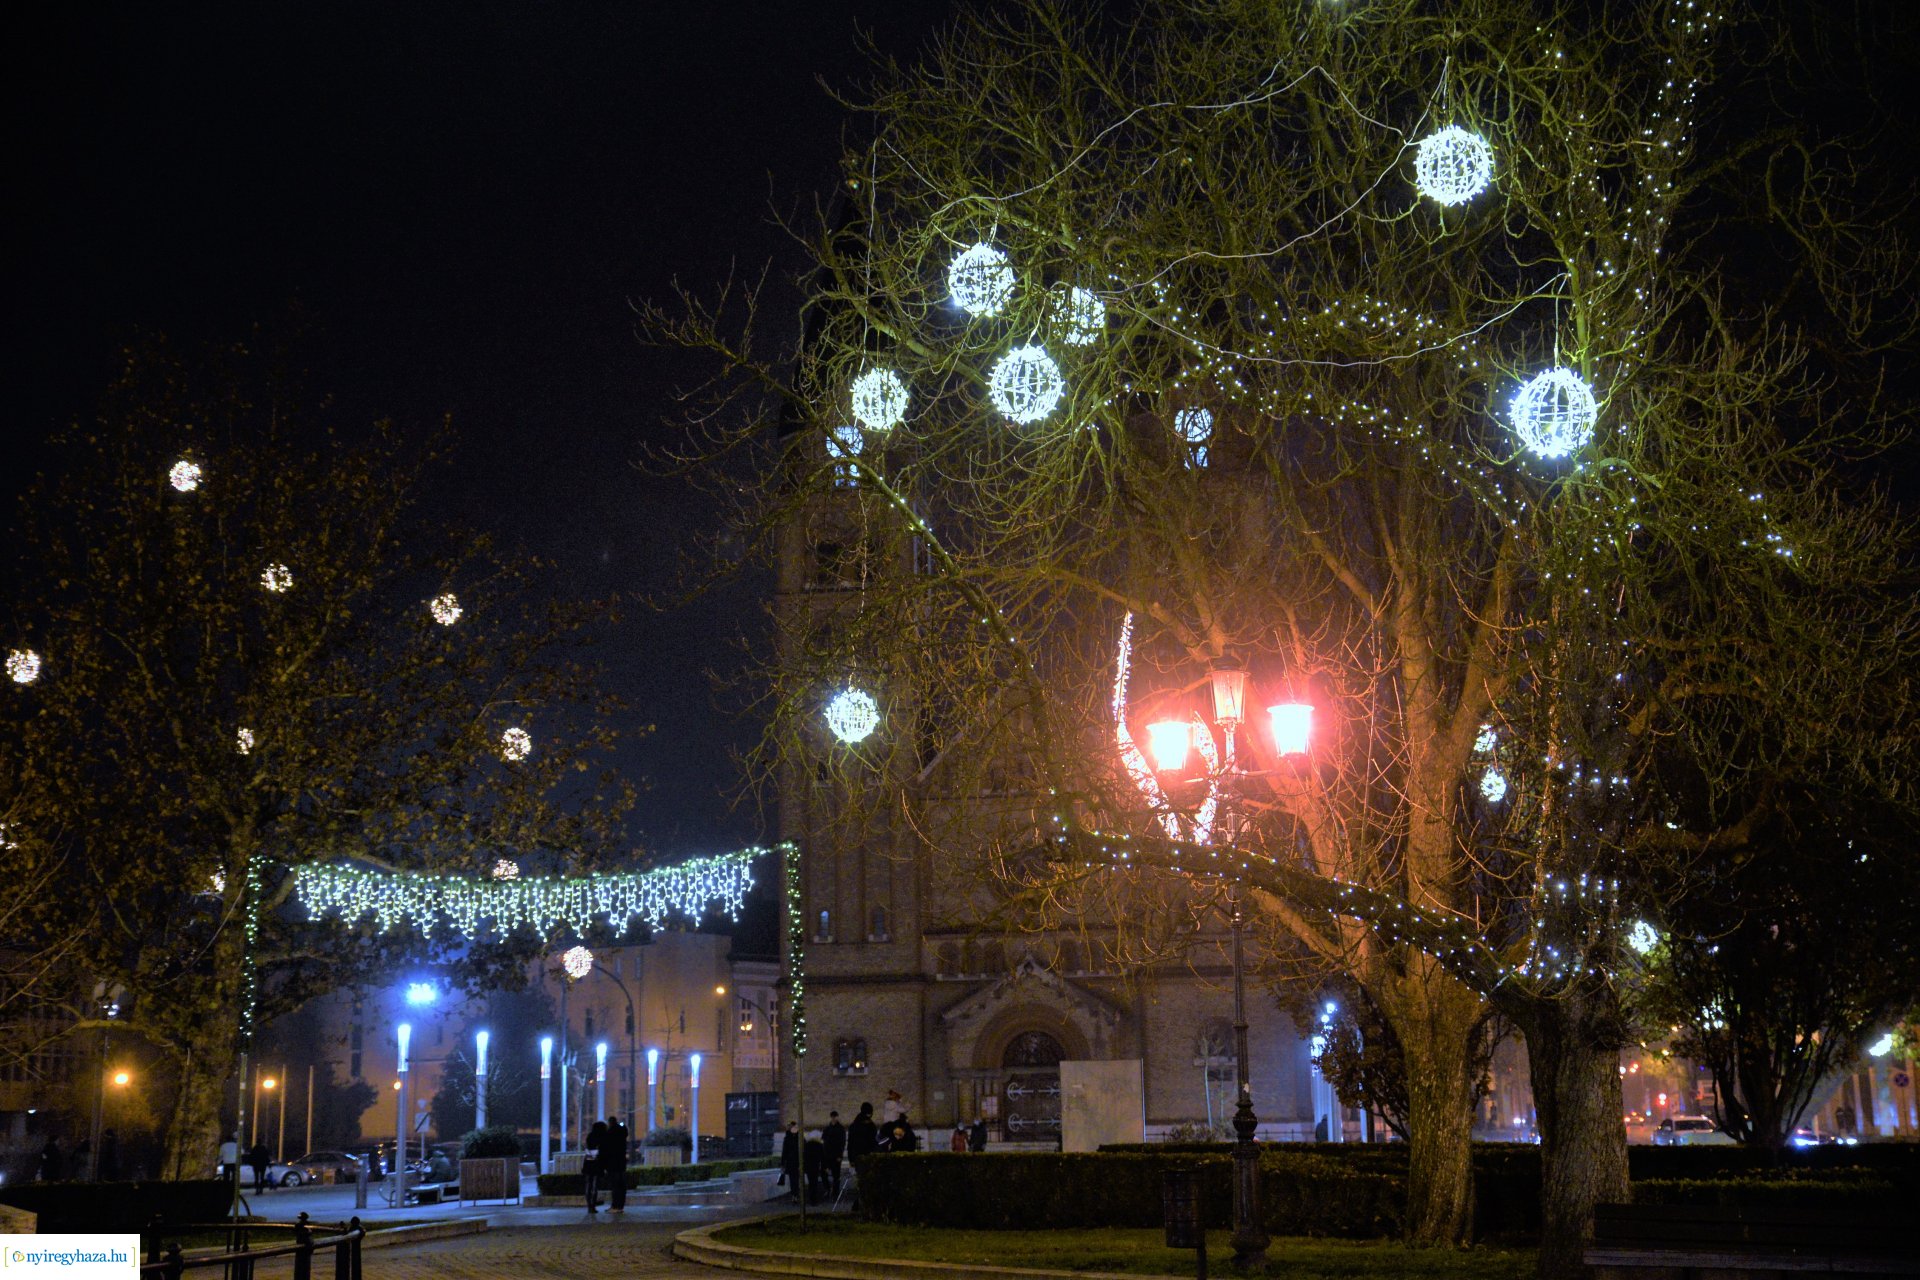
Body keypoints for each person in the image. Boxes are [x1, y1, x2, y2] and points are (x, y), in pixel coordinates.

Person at [582, 1120, 607, 1215]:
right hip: (597, 1162)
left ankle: (589, 1205)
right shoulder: (602, 1138)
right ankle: (593, 1205)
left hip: (588, 1162)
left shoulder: (590, 1136)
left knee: (588, 1184)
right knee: (595, 1185)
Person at [605, 1117, 629, 1212]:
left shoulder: (609, 1133)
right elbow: (625, 1130)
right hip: (621, 1162)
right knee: (621, 1185)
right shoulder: (622, 1133)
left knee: (615, 1185)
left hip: (613, 1163)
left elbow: (606, 1149)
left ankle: (615, 1206)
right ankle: (620, 1206)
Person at [822, 1111, 847, 1197]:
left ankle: (835, 1193)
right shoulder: (827, 1128)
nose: (833, 1118)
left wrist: (840, 1155)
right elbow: (824, 1141)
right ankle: (828, 1189)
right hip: (827, 1155)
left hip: (836, 1155)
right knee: (824, 1173)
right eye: (832, 1117)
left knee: (836, 1175)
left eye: (835, 1117)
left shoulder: (840, 1129)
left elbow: (842, 1143)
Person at [803, 1130, 828, 1204]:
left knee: (811, 1182)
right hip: (816, 1166)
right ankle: (814, 1199)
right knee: (814, 1183)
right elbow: (823, 1157)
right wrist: (824, 1167)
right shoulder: (819, 1145)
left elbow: (804, 1156)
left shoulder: (806, 1145)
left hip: (808, 1166)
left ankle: (811, 1198)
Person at [779, 1121, 801, 1199]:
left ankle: (796, 1194)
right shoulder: (788, 1138)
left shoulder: (799, 1138)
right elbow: (784, 1152)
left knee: (796, 1179)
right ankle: (794, 1195)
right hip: (791, 1162)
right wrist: (782, 1164)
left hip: (798, 1162)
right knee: (793, 1179)